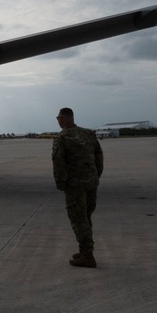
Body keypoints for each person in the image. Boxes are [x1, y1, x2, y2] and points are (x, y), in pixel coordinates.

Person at [52, 107, 104, 268]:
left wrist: (61, 183)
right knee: (86, 218)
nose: (57, 120)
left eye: (58, 118)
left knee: (78, 219)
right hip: (91, 183)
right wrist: (95, 176)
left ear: (64, 118)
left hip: (75, 185)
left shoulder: (62, 138)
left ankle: (88, 255)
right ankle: (84, 251)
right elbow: (99, 157)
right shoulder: (88, 134)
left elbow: (58, 163)